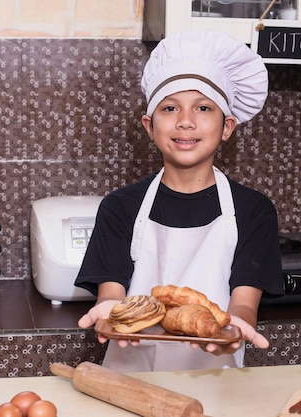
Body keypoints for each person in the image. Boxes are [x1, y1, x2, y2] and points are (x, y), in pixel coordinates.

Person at [75, 29, 284, 372]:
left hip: (215, 388)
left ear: (227, 126)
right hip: (129, 382)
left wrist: (233, 329)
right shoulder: (120, 207)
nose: (186, 121)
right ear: (149, 125)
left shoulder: (253, 211)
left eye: (203, 108)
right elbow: (110, 296)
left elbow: (244, 307)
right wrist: (108, 313)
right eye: (170, 108)